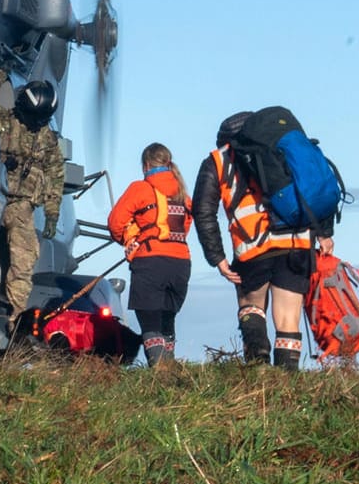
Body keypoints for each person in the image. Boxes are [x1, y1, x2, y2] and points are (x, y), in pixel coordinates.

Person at [193, 110, 333, 368]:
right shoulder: (283, 152)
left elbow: (203, 211)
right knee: (288, 317)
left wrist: (217, 258)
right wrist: (324, 234)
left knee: (251, 306)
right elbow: (315, 188)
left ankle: (258, 369)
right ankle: (286, 383)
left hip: (253, 247)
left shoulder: (218, 160)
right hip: (297, 242)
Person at [107, 143, 194, 367]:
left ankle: (159, 373)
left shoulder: (140, 189)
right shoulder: (184, 195)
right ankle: (170, 368)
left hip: (150, 261)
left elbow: (115, 222)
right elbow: (185, 226)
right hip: (181, 264)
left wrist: (128, 239)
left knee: (150, 321)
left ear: (146, 165)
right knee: (167, 317)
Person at [0, 71, 65, 328]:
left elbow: (56, 177)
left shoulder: (48, 140)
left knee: (24, 264)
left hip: (21, 206)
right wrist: (0, 73)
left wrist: (52, 213)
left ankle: (13, 318)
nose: (37, 123)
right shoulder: (4, 121)